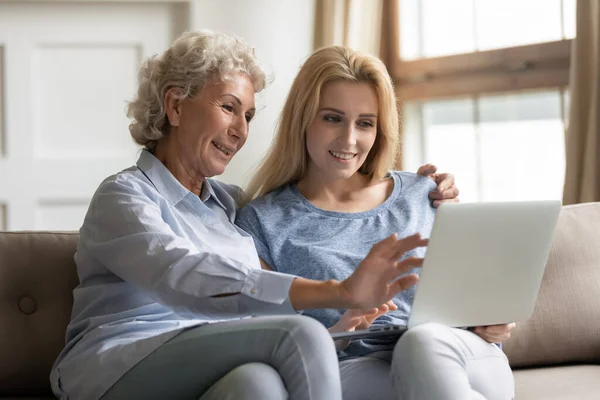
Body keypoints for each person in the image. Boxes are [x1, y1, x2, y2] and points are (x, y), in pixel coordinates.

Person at [49, 31, 457, 400]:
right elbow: (184, 276)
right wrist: (339, 291)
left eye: (248, 116)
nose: (240, 130)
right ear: (175, 106)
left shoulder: (230, 206)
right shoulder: (123, 196)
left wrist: (339, 333)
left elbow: (256, 316)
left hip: (209, 355)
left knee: (258, 384)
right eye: (229, 108)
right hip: (122, 362)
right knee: (302, 334)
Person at [236, 45, 516, 400]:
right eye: (332, 118)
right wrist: (341, 329)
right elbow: (267, 342)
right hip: (356, 369)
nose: (349, 140)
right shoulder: (262, 222)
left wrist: (492, 320)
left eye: (365, 123)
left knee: (422, 342)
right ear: (302, 118)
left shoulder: (423, 194)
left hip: (459, 356)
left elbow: (477, 294)